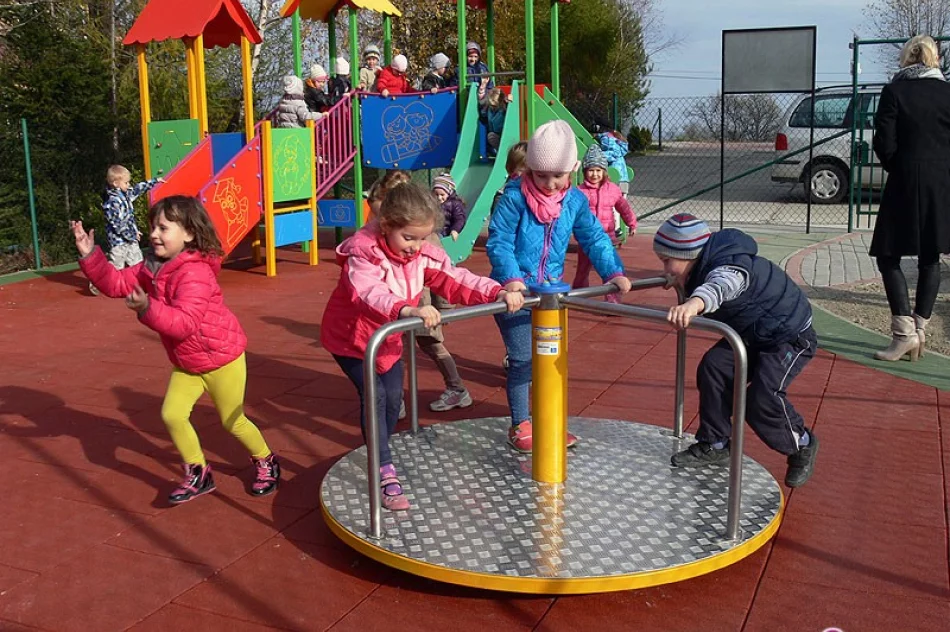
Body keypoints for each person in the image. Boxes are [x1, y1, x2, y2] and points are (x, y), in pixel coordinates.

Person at [320, 183, 523, 510]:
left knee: (393, 399)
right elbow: (368, 292)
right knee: (376, 397)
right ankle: (383, 466)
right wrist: (406, 309)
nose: (415, 247)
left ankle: (380, 446)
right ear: (386, 227)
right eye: (408, 238)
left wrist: (496, 292)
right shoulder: (365, 253)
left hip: (388, 337)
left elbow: (456, 279)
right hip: (353, 338)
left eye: (423, 237)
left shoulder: (422, 254)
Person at [70, 196, 281, 504]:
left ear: (189, 234)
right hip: (189, 361)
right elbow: (116, 283)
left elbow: (184, 323)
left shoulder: (195, 273)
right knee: (172, 414)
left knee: (232, 420)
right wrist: (91, 257)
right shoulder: (152, 267)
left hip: (222, 357)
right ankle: (199, 472)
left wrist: (146, 308)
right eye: (153, 226)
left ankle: (266, 460)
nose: (154, 234)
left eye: (163, 228)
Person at [487, 120, 632, 452]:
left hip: (551, 292)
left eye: (558, 176)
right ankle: (521, 423)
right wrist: (512, 280)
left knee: (551, 358)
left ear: (573, 171)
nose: (549, 184)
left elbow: (595, 237)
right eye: (540, 175)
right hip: (515, 291)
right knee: (524, 357)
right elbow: (500, 242)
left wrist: (613, 272)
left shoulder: (575, 202)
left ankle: (549, 420)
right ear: (529, 171)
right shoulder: (515, 197)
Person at [655, 214, 819, 488]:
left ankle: (801, 443)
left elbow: (721, 286)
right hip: (755, 333)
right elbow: (700, 280)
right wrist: (679, 281)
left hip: (789, 337)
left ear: (689, 255)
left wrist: (693, 304)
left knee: (762, 398)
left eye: (666, 261)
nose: (664, 268)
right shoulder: (702, 267)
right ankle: (716, 442)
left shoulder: (729, 267)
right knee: (714, 367)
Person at [869, 34, 950, 361]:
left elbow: (883, 141)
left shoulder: (895, 91)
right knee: (931, 256)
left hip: (905, 179)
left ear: (907, 58)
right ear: (936, 59)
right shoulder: (948, 93)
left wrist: (898, 165)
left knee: (888, 254)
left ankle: (904, 334)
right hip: (943, 182)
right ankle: (919, 330)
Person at [572, 145, 638, 302]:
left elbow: (624, 207)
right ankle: (579, 294)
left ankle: (612, 299)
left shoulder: (612, 190)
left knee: (608, 265)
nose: (595, 174)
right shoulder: (580, 192)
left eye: (598, 170)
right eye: (591, 170)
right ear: (585, 172)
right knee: (583, 268)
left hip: (607, 236)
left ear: (604, 172)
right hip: (586, 238)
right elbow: (571, 212)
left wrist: (631, 222)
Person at [91, 165, 164, 296]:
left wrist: (153, 181)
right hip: (118, 241)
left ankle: (142, 285)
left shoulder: (126, 194)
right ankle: (97, 282)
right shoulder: (112, 202)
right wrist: (132, 234)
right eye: (126, 182)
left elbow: (137, 189)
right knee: (116, 265)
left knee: (137, 262)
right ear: (115, 183)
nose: (129, 184)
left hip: (130, 238)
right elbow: (118, 225)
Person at [490, 141, 529, 217]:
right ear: (511, 170)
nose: (527, 175)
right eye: (522, 171)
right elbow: (499, 226)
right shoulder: (504, 196)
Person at [432, 173, 465, 241]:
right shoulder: (431, 202)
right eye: (436, 194)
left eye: (442, 195)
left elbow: (459, 219)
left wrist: (455, 230)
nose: (439, 197)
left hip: (444, 232)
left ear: (449, 193)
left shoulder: (455, 204)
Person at [479, 86, 511, 156]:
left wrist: (509, 101)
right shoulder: (488, 109)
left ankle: (505, 152)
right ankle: (501, 153)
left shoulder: (504, 108)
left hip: (505, 133)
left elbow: (511, 108)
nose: (492, 107)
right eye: (491, 105)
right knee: (490, 136)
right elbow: (483, 116)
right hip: (496, 134)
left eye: (495, 105)